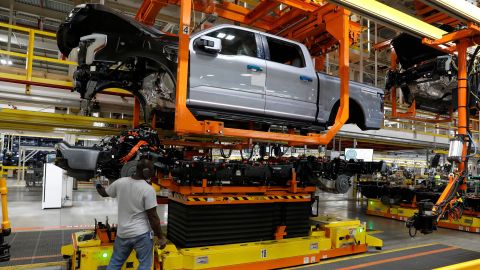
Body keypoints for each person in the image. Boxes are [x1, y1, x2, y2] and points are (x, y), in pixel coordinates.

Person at [96, 159, 167, 270]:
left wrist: (97, 185)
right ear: (146, 171)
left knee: (115, 263)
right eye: (153, 170)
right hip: (141, 235)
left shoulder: (120, 182)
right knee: (145, 264)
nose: (154, 173)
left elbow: (104, 193)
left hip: (122, 234)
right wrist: (161, 237)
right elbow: (153, 217)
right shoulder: (148, 190)